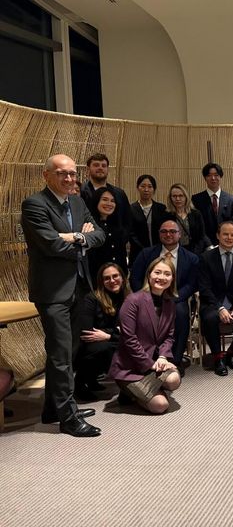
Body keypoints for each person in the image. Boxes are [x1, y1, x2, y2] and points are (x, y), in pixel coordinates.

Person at [22, 154, 105, 437]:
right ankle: (68, 418)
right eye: (62, 173)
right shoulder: (35, 205)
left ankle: (52, 408)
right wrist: (79, 238)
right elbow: (50, 245)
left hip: (79, 285)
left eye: (72, 173)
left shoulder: (78, 201)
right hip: (52, 290)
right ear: (46, 175)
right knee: (60, 354)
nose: (69, 179)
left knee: (68, 350)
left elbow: (99, 235)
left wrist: (76, 237)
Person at [109, 258, 181, 414]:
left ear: (172, 279)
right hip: (130, 368)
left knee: (174, 380)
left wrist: (163, 357)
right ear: (149, 275)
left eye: (167, 274)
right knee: (160, 406)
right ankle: (130, 392)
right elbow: (129, 339)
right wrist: (149, 364)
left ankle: (146, 389)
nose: (162, 277)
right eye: (157, 272)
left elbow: (169, 336)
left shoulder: (170, 304)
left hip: (155, 363)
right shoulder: (133, 300)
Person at [130, 219, 199, 371]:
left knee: (181, 313)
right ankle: (148, 359)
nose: (168, 234)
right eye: (164, 231)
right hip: (148, 297)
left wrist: (174, 298)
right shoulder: (146, 254)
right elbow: (135, 278)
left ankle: (175, 360)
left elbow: (192, 284)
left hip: (176, 298)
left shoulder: (191, 258)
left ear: (179, 235)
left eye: (172, 231)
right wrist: (145, 297)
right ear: (159, 234)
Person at [198, 221, 233, 377]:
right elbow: (204, 288)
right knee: (209, 318)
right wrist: (220, 308)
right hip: (212, 303)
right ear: (218, 235)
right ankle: (218, 358)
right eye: (225, 234)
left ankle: (231, 353)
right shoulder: (206, 257)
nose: (229, 238)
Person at [75, 263, 129, 401]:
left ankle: (128, 386)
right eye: (107, 278)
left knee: (127, 345)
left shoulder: (129, 298)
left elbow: (133, 329)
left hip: (112, 339)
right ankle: (80, 385)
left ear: (122, 277)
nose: (112, 281)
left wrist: (108, 334)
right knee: (104, 349)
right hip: (91, 344)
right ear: (101, 281)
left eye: (115, 276)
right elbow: (87, 331)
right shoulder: (92, 299)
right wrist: (116, 331)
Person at [87, 187, 128, 283]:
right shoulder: (89, 225)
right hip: (97, 280)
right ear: (96, 201)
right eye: (104, 200)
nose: (109, 204)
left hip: (118, 279)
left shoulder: (118, 225)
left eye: (112, 201)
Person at [80, 153, 131, 230]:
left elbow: (127, 219)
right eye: (96, 165)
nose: (100, 168)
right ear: (88, 169)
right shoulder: (80, 192)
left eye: (104, 166)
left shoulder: (119, 193)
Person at [191, 162, 233, 246]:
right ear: (205, 178)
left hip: (226, 243)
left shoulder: (231, 199)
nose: (213, 178)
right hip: (204, 245)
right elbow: (196, 225)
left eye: (216, 175)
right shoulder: (196, 199)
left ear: (221, 176)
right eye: (209, 175)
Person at [128, 174, 166, 266]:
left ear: (154, 189)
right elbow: (130, 233)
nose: (146, 190)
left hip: (159, 252)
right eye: (143, 186)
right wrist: (145, 250)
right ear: (137, 188)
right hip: (137, 253)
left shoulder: (161, 208)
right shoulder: (130, 209)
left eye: (150, 186)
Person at [166, 183, 211, 256]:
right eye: (174, 196)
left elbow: (201, 235)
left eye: (181, 196)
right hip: (174, 252)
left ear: (186, 197)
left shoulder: (196, 214)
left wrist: (196, 252)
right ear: (170, 198)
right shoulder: (166, 215)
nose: (177, 199)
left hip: (194, 252)